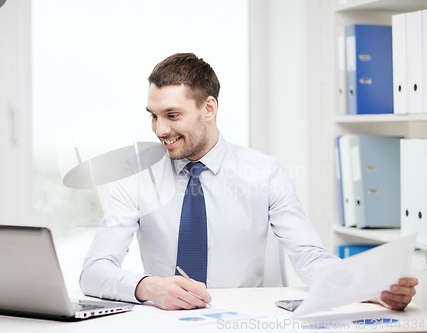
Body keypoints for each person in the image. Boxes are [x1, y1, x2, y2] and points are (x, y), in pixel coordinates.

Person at [80, 52, 418, 311]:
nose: (160, 130)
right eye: (153, 116)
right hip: (164, 322)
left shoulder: (264, 172)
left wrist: (367, 287)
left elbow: (310, 257)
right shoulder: (136, 176)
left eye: (172, 115)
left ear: (208, 108)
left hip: (244, 321)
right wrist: (147, 287)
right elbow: (94, 270)